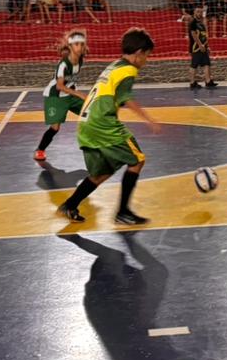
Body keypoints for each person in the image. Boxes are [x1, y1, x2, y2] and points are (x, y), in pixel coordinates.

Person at [56, 27, 161, 225]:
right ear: (139, 53)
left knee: (101, 173)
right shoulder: (128, 70)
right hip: (102, 123)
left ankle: (70, 205)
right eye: (147, 55)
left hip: (86, 123)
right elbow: (126, 98)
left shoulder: (114, 65)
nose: (146, 61)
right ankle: (123, 212)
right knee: (137, 160)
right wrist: (149, 119)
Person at [35, 30, 89, 163]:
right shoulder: (64, 64)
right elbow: (59, 86)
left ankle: (91, 143)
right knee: (55, 127)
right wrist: (79, 94)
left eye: (82, 44)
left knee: (91, 113)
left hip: (70, 94)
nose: (80, 47)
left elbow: (70, 80)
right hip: (56, 96)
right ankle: (40, 150)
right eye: (76, 44)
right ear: (70, 46)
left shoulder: (80, 60)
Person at [187, 5, 216, 89]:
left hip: (203, 47)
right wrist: (200, 45)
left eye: (201, 12)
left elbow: (204, 36)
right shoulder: (193, 22)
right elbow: (193, 35)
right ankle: (192, 82)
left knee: (207, 63)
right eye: (197, 11)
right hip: (196, 47)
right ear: (194, 12)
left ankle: (208, 81)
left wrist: (207, 46)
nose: (199, 13)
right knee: (194, 65)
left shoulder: (201, 23)